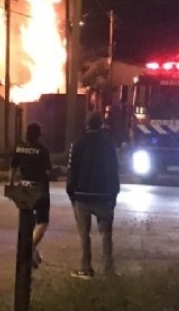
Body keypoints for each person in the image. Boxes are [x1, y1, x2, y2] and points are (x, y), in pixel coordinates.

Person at [66, 110, 120, 279]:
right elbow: (114, 170)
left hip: (82, 196)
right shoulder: (109, 144)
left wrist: (72, 194)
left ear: (87, 124)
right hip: (104, 197)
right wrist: (113, 194)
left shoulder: (78, 144)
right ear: (101, 124)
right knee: (106, 235)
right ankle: (108, 270)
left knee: (84, 235)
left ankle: (86, 268)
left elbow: (71, 171)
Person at [8, 122, 53, 269]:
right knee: (42, 222)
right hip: (39, 189)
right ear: (38, 134)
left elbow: (13, 167)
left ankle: (30, 252)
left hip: (23, 189)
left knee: (27, 221)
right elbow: (47, 172)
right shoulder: (42, 150)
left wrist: (11, 185)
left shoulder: (19, 147)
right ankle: (29, 249)